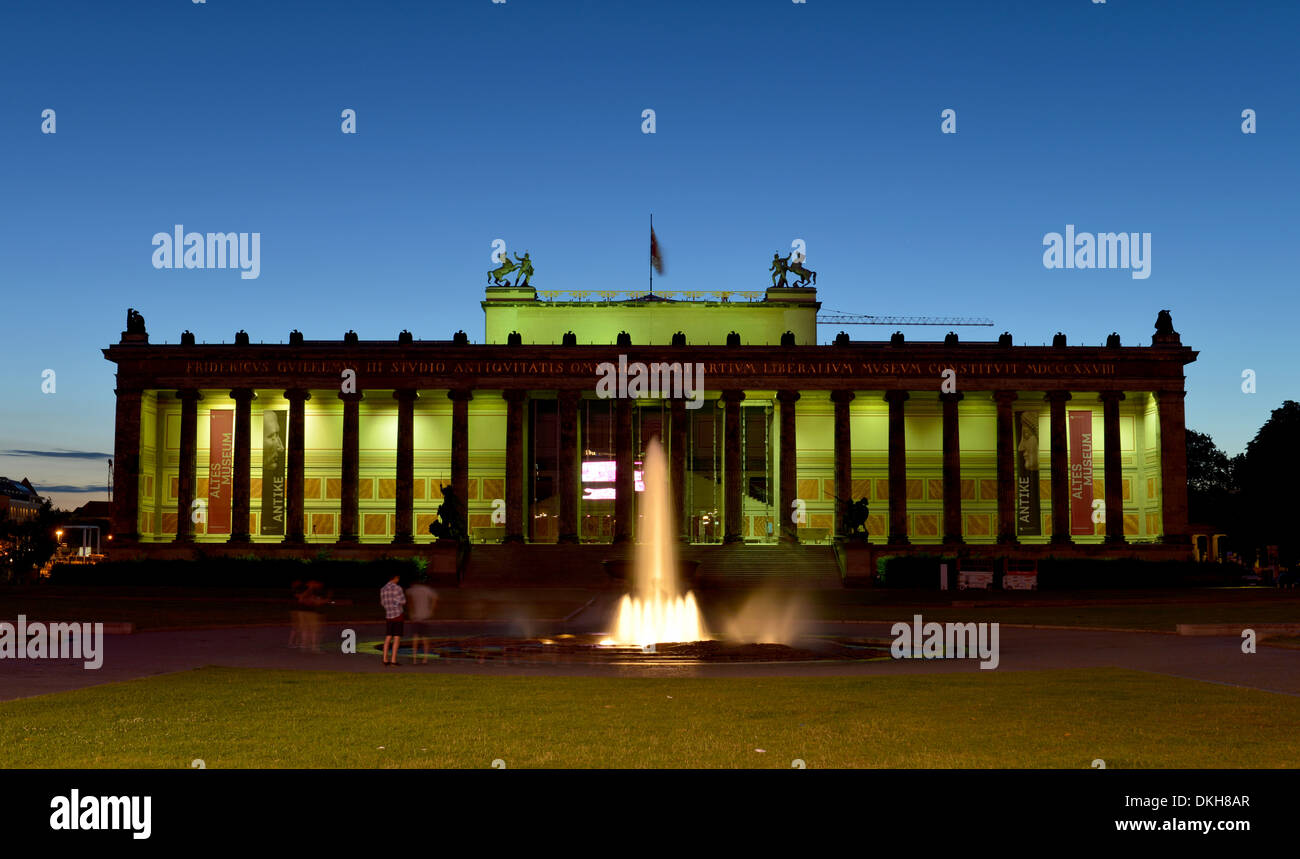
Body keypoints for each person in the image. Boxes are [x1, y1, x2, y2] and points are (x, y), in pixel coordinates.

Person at [405, 577, 439, 663]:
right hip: (425, 616)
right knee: (425, 638)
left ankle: (414, 658)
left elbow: (409, 602)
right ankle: (425, 659)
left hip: (416, 616)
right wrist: (431, 610)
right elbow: (435, 598)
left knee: (415, 638)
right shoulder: (427, 590)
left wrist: (411, 612)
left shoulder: (412, 590)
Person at [380, 573, 406, 666]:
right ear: (395, 578)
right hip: (398, 615)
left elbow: (383, 603)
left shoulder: (383, 589)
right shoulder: (397, 588)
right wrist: (395, 604)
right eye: (398, 578)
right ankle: (393, 660)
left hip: (388, 615)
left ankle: (385, 659)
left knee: (388, 636)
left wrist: (389, 606)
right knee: (396, 637)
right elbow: (403, 601)